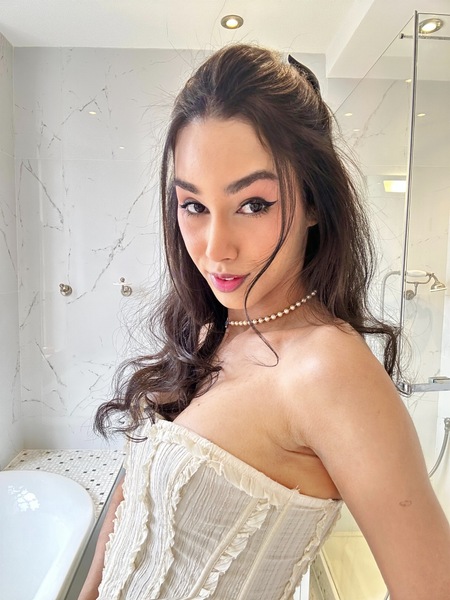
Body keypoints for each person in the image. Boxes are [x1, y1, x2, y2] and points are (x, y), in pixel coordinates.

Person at [78, 44, 450, 600]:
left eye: (253, 204)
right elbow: (131, 511)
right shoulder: (213, 329)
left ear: (315, 201)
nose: (215, 248)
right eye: (193, 206)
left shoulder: (327, 369)